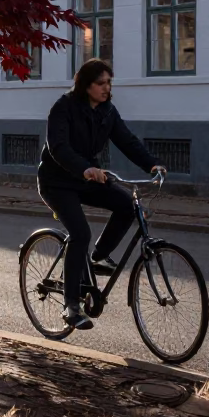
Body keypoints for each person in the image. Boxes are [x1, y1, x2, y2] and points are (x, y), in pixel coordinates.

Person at [38, 59, 167, 331]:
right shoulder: (63, 108)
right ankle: (71, 306)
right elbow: (57, 147)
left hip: (87, 177)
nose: (106, 88)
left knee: (127, 206)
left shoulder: (107, 111)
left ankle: (97, 257)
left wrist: (151, 163)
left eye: (109, 82)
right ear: (86, 85)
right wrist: (85, 168)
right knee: (80, 233)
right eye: (101, 83)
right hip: (57, 182)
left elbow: (127, 140)